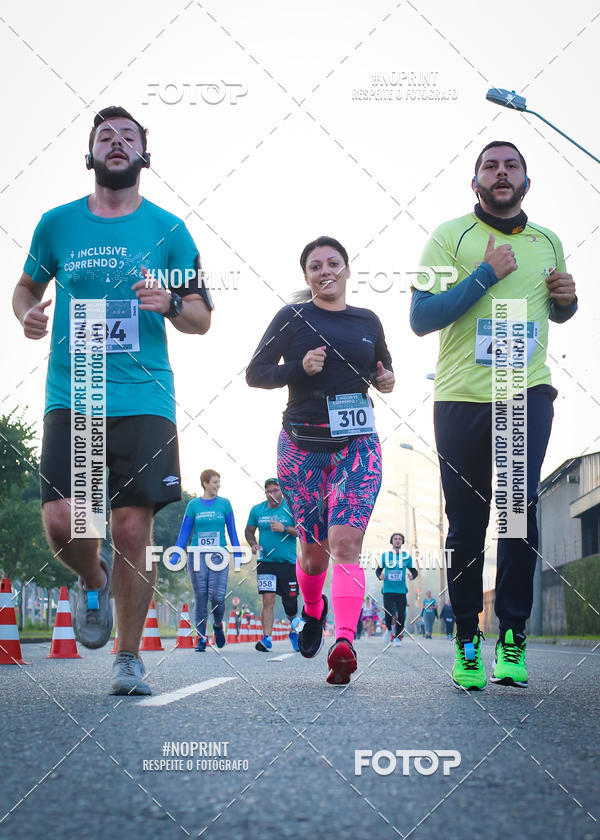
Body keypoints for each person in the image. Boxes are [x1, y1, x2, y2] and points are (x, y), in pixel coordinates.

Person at [12, 106, 213, 695]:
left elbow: (202, 317)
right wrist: (26, 312)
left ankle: (128, 657)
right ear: (91, 153)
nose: (117, 143)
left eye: (129, 137)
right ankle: (93, 579)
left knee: (131, 528)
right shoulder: (57, 224)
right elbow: (27, 285)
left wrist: (171, 304)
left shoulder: (170, 230)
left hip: (145, 395)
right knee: (61, 521)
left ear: (144, 154)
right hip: (72, 391)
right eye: (106, 137)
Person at [411, 140, 577, 690]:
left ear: (526, 180)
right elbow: (421, 316)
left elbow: (559, 309)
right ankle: (464, 640)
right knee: (466, 523)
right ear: (475, 181)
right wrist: (483, 274)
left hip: (523, 390)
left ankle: (511, 636)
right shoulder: (450, 236)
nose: (500, 173)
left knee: (516, 510)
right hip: (461, 396)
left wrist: (567, 299)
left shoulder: (548, 240)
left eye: (511, 166)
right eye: (490, 166)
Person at [246, 235, 394, 684]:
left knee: (345, 542)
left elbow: (383, 368)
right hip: (301, 447)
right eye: (315, 265)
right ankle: (313, 611)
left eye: (333, 263)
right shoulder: (291, 318)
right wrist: (298, 369)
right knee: (312, 555)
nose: (325, 270)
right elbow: (256, 373)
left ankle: (344, 642)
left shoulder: (367, 320)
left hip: (357, 446)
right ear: (306, 275)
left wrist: (386, 379)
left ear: (347, 270)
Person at [175, 469, 241, 651]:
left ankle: (218, 625)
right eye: (214, 482)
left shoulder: (225, 505)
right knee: (201, 598)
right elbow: (185, 532)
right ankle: (201, 638)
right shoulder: (193, 505)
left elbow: (232, 532)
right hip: (197, 556)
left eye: (219, 482)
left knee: (217, 597)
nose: (218, 485)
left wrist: (236, 553)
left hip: (219, 556)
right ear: (205, 483)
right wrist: (176, 552)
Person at [245, 478, 300, 652]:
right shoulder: (257, 510)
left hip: (288, 563)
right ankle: (267, 638)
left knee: (290, 604)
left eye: (275, 490)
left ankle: (295, 632)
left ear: (282, 490)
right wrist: (253, 544)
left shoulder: (291, 508)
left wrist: (284, 528)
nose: (272, 495)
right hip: (265, 562)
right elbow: (249, 531)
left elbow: (301, 531)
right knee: (268, 600)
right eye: (268, 491)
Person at [376, 532, 418, 646]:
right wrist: (380, 576)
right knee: (389, 613)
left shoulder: (406, 557)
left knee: (401, 615)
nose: (397, 540)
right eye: (395, 539)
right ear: (392, 541)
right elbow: (378, 570)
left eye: (400, 539)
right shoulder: (385, 556)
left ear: (402, 542)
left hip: (401, 591)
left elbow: (414, 571)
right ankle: (389, 630)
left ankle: (397, 638)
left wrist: (412, 576)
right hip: (388, 589)